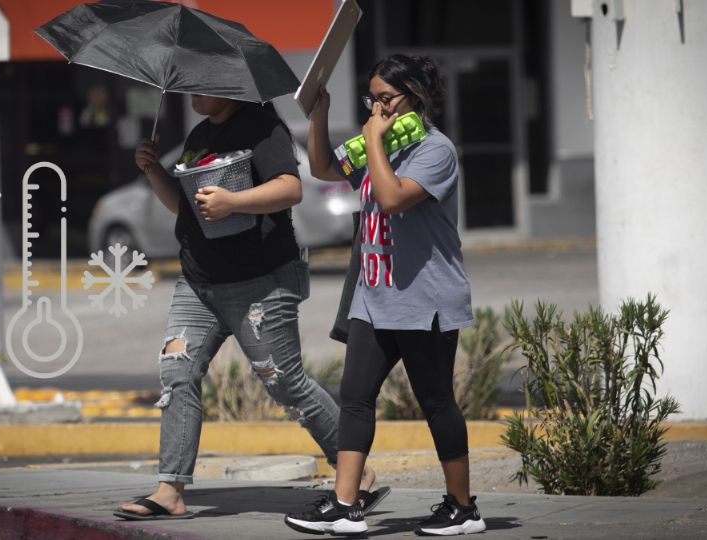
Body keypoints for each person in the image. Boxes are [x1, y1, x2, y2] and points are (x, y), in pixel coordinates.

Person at [115, 94, 379, 520]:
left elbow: (290, 189)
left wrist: (233, 202)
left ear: (229, 86)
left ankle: (357, 472)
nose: (193, 93)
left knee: (285, 382)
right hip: (199, 282)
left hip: (259, 282)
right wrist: (153, 170)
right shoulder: (200, 135)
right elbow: (186, 206)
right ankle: (170, 489)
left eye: (203, 84)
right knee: (177, 373)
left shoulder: (263, 128)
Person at [284, 54, 488, 536]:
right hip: (374, 297)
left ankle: (463, 509)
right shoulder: (379, 144)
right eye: (371, 98)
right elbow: (322, 167)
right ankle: (344, 505)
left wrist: (374, 139)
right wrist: (320, 114)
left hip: (426, 300)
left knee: (437, 401)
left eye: (385, 99)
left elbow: (393, 197)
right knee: (354, 397)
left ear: (413, 98)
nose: (376, 107)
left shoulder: (436, 151)